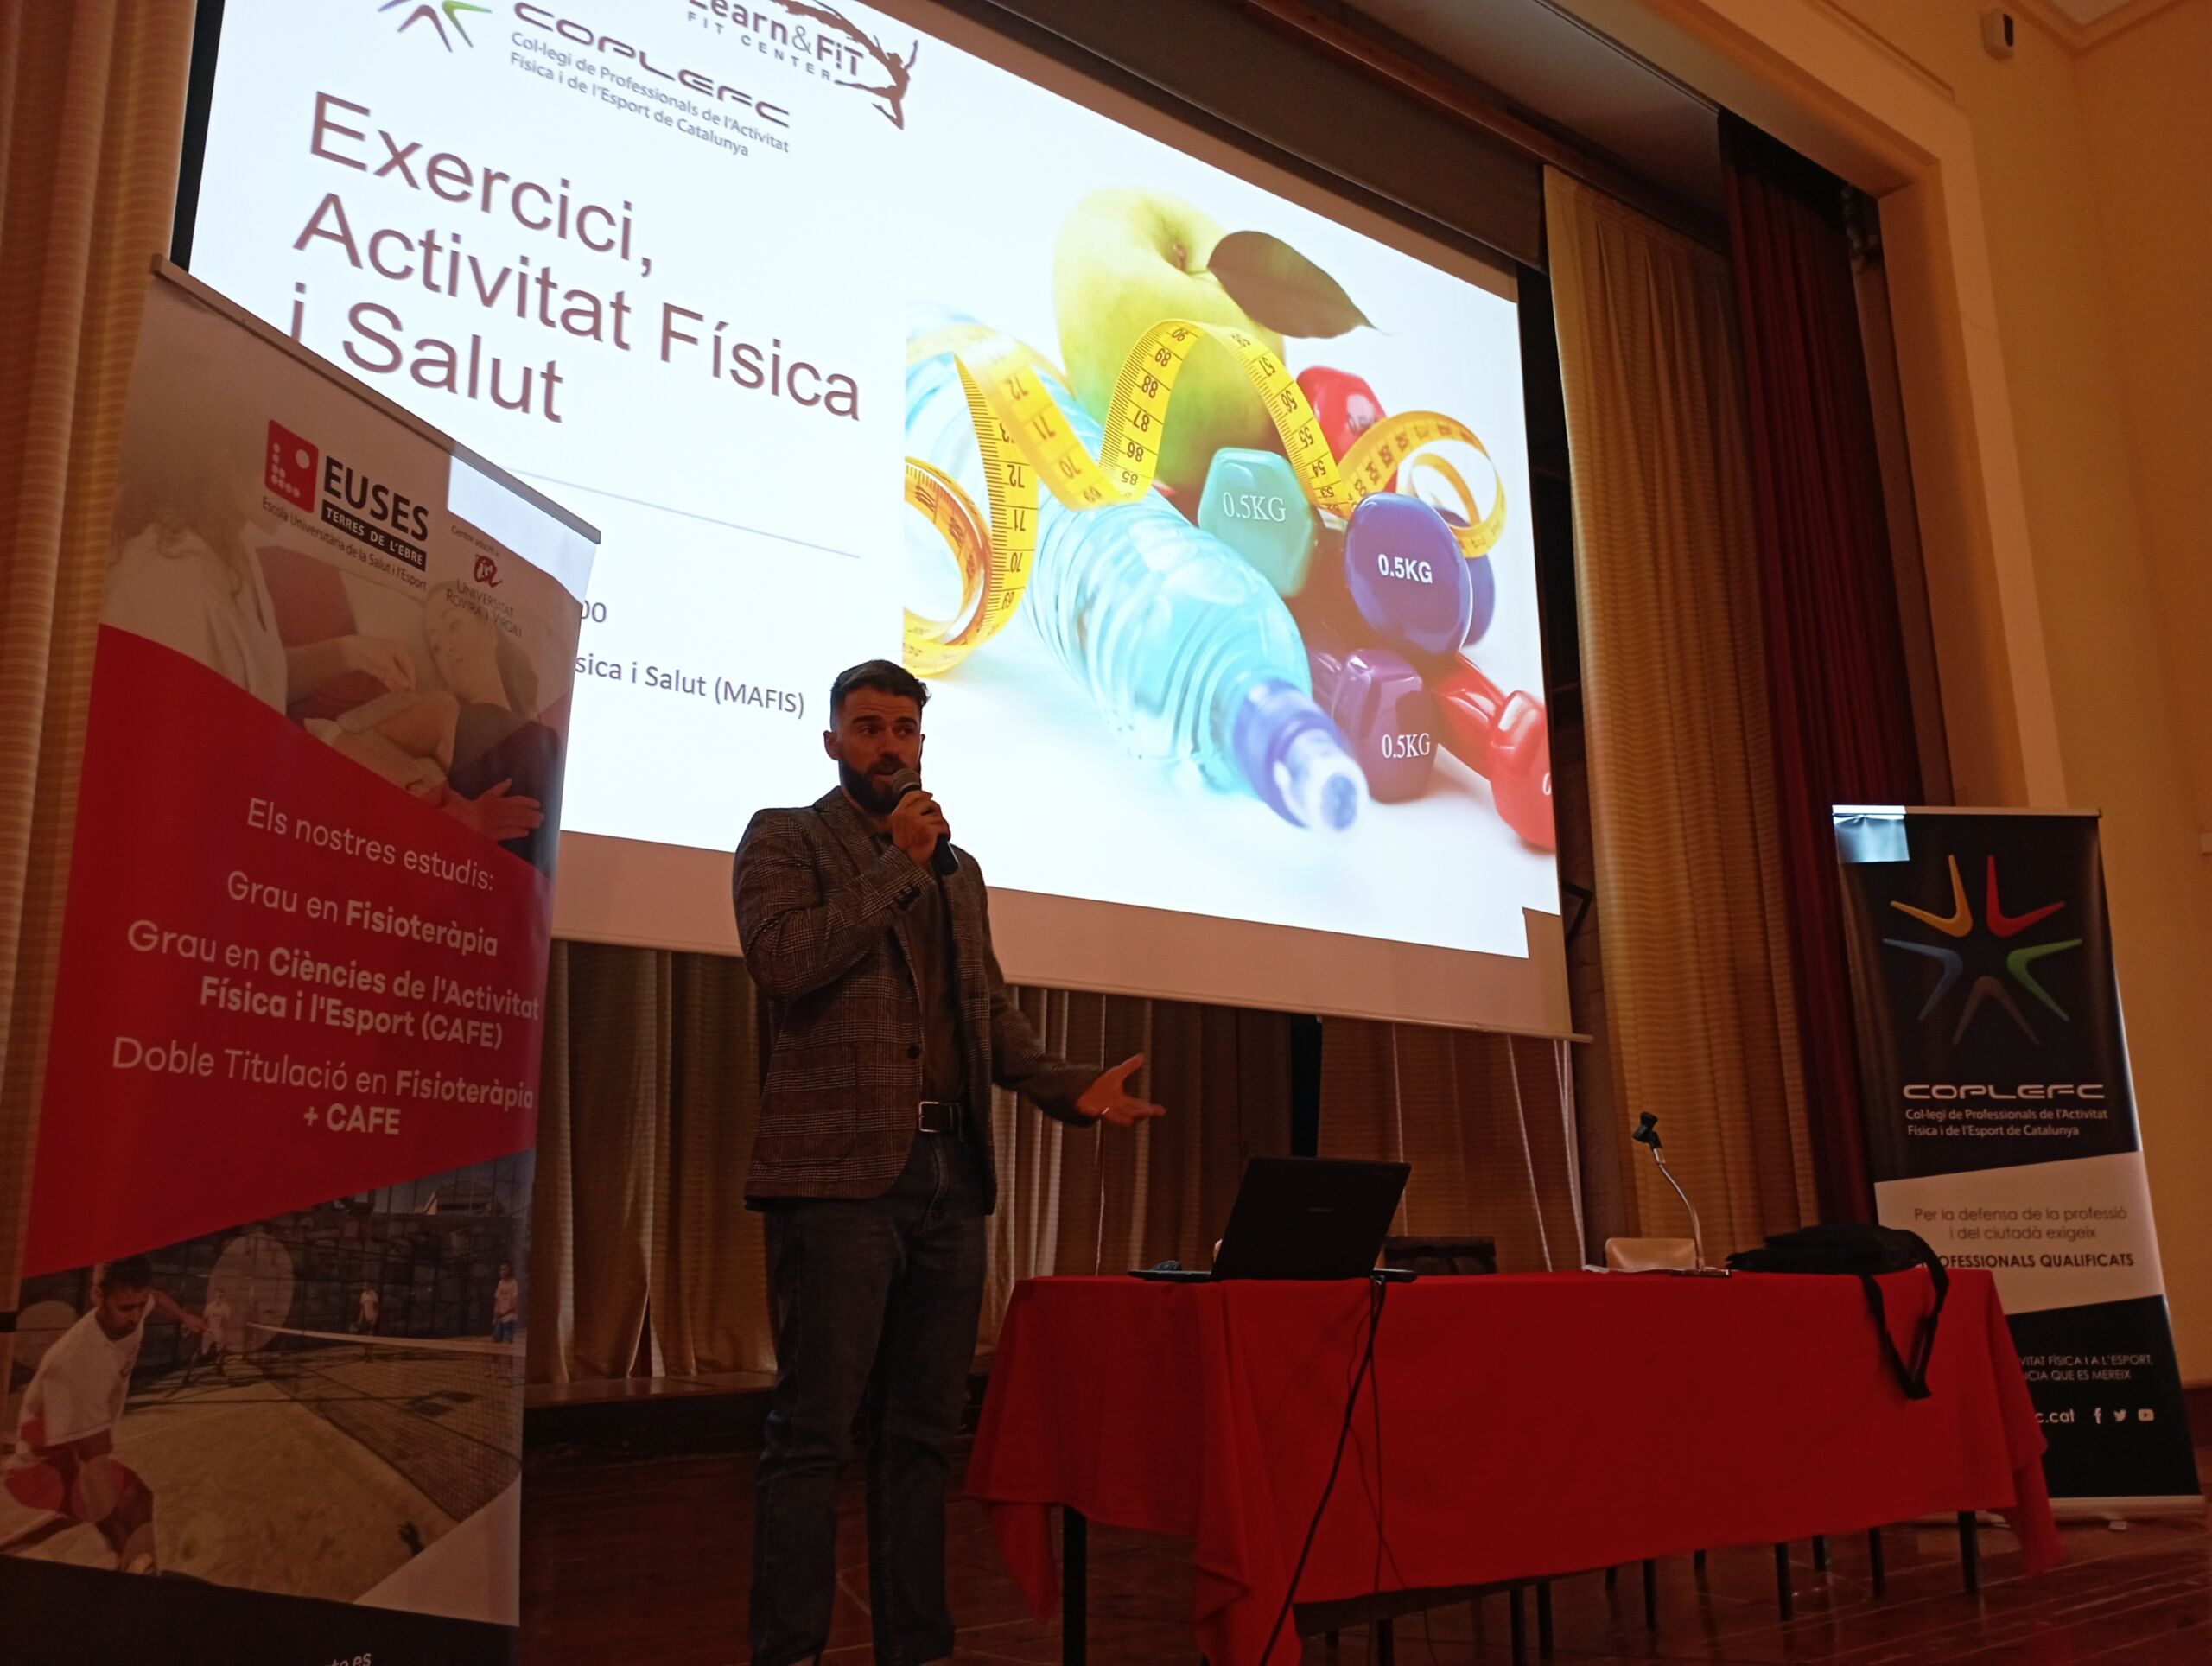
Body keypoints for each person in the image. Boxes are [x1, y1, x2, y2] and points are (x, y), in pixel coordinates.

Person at [734, 658, 1165, 1666]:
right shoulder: (786, 837)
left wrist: (1069, 1086)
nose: (888, 744)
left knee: (922, 1434)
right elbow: (784, 959)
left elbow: (987, 1011)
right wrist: (896, 863)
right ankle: (788, 1650)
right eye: (868, 727)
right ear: (833, 742)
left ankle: (918, 1646)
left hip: (947, 1176)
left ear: (922, 741)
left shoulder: (957, 872)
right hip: (838, 1181)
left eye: (904, 728)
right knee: (813, 1431)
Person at [4, 1256, 204, 1572]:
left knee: (78, 1510)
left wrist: (184, 1316)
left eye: (140, 1305)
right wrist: (125, 1549)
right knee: (134, 1500)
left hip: (66, 1439)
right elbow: (91, 1469)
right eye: (126, 1308)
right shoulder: (80, 1361)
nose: (136, 1316)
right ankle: (139, 1578)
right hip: (44, 1458)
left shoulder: (132, 1305)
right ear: (97, 1295)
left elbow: (155, 1299)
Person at [491, 1262, 520, 1345]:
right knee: (496, 1339)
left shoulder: (513, 1283)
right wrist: (495, 1316)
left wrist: (504, 1313)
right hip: (500, 1318)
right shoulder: (500, 1283)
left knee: (507, 1340)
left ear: (509, 1270)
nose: (502, 1272)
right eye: (501, 1270)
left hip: (510, 1317)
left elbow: (515, 1303)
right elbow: (497, 1301)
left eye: (504, 1269)